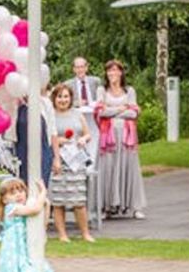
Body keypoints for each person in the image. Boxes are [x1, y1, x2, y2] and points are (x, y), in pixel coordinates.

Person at [0, 177, 98, 272]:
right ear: (4, 199)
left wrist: (47, 205)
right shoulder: (12, 209)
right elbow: (36, 209)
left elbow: (41, 225)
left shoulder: (23, 209)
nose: (18, 194)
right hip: (17, 252)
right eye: (12, 193)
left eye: (21, 190)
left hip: (28, 250)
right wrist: (43, 192)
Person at [95, 59, 146, 219]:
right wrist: (121, 109)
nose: (112, 74)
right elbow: (100, 112)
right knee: (108, 168)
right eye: (110, 71)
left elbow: (134, 113)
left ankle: (135, 207)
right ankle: (106, 206)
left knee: (129, 167)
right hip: (108, 136)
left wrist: (112, 111)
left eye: (116, 70)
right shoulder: (101, 90)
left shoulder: (129, 91)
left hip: (126, 136)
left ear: (121, 73)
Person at [48, 84, 94, 243]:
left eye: (66, 96)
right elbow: (47, 138)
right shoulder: (50, 116)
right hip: (58, 159)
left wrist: (83, 138)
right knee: (59, 200)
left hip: (76, 160)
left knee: (79, 199)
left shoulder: (77, 114)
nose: (63, 100)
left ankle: (85, 234)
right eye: (60, 96)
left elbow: (88, 134)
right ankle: (62, 235)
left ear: (70, 98)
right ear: (54, 98)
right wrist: (59, 140)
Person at [65, 57, 101, 163]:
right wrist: (76, 103)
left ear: (86, 68)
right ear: (74, 69)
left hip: (93, 117)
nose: (80, 70)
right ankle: (83, 161)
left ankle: (95, 160)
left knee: (94, 140)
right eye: (77, 67)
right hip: (77, 118)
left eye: (82, 67)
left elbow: (101, 98)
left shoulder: (96, 81)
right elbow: (64, 102)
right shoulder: (68, 84)